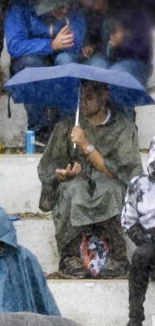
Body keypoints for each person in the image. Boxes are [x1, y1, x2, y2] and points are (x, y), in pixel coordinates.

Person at [38, 78, 137, 275]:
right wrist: (63, 175)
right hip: (78, 184)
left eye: (89, 98)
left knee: (111, 189)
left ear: (104, 96)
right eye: (80, 98)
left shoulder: (124, 127)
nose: (83, 103)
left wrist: (85, 145)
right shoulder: (67, 126)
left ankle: (118, 257)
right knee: (71, 189)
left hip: (109, 183)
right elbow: (48, 167)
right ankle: (70, 256)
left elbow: (123, 172)